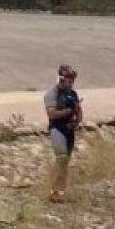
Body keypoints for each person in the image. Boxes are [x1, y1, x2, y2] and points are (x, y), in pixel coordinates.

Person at [44, 64, 82, 203]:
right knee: (61, 158)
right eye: (69, 80)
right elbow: (51, 113)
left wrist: (77, 120)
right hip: (57, 128)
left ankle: (61, 191)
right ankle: (53, 190)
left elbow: (78, 110)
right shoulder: (52, 94)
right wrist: (69, 111)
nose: (71, 83)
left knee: (66, 162)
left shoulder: (72, 93)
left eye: (73, 80)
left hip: (69, 129)